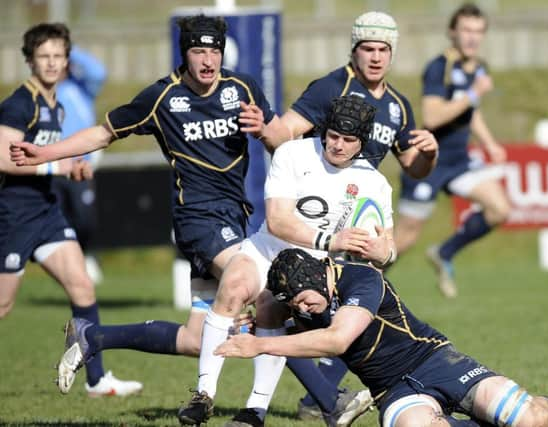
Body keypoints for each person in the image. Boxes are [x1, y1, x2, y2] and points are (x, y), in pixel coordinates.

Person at [9, 15, 288, 394]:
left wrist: (265, 129)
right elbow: (104, 133)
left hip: (233, 219)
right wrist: (45, 154)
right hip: (199, 223)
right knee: (267, 295)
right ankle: (326, 403)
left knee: (196, 338)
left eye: (214, 51)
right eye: (198, 51)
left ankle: (94, 336)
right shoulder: (162, 97)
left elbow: (279, 139)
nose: (208, 60)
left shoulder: (242, 88)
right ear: (184, 53)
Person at [177, 94, 432, 427]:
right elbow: (278, 220)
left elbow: (388, 247)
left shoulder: (374, 184)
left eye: (348, 140)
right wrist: (331, 240)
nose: (338, 145)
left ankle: (255, 410)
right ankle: (203, 395)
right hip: (267, 248)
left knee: (271, 304)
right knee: (235, 283)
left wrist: (381, 252)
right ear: (324, 130)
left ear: (361, 143)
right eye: (333, 136)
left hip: (312, 269)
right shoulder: (293, 153)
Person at [215, 247, 548, 427]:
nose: (302, 310)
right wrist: (256, 323)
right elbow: (273, 313)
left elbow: (337, 340)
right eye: (294, 305)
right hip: (392, 391)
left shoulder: (362, 279)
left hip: (437, 362)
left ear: (317, 279)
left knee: (529, 420)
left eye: (303, 300)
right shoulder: (307, 301)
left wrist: (261, 344)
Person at [277, 11, 440, 420]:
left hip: (360, 215)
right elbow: (284, 133)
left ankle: (321, 396)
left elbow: (412, 166)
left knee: (353, 308)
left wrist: (430, 155)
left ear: (392, 53)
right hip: (316, 219)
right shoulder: (332, 87)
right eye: (367, 47)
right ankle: (321, 396)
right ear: (355, 49)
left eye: (383, 49)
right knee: (299, 307)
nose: (375, 56)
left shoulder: (398, 105)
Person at [0, 22, 141, 397]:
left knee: (82, 286)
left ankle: (96, 380)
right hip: (14, 215)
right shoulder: (18, 104)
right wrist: (58, 166)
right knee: (3, 304)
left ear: (66, 61)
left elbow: (48, 159)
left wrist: (73, 168)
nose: (51, 63)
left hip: (46, 210)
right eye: (43, 56)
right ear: (30, 61)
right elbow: (3, 159)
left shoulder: (56, 104)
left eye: (57, 56)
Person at [394, 3, 510, 298]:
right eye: (467, 30)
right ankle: (359, 283)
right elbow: (432, 116)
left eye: (478, 31)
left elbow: (472, 112)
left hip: (459, 161)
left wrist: (490, 143)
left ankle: (444, 253)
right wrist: (474, 93)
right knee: (403, 240)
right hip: (429, 162)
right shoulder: (439, 67)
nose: (473, 37)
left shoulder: (477, 67)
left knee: (500, 209)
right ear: (452, 32)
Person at [54, 45, 107, 285]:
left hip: (80, 167)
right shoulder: (44, 93)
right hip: (52, 168)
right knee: (56, 221)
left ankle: (85, 256)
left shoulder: (81, 89)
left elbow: (98, 72)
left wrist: (68, 48)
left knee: (84, 218)